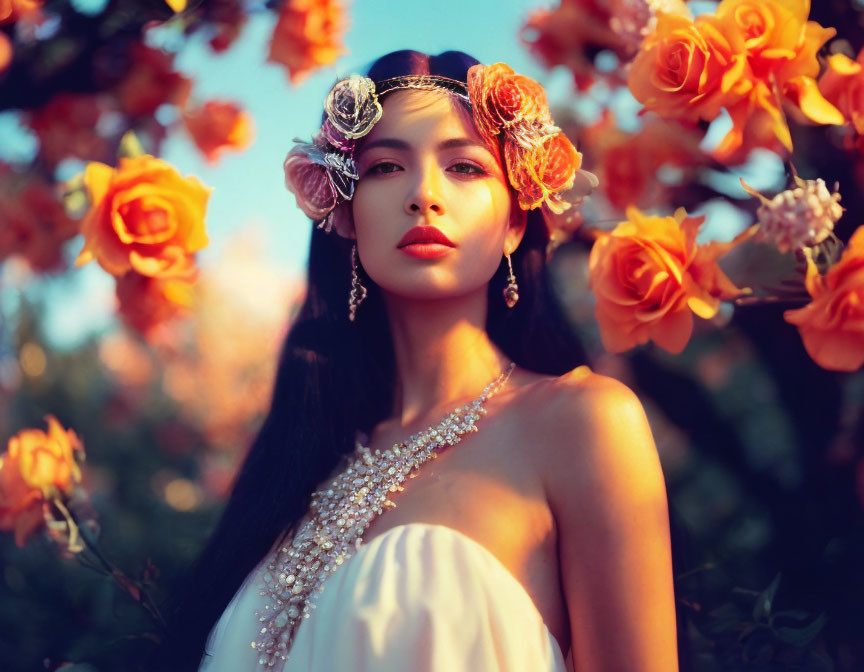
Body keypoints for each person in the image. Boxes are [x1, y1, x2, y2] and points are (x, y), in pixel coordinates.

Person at [153, 49, 679, 672]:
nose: (424, 194)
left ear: (515, 223)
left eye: (463, 166)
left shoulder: (584, 423)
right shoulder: (302, 460)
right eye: (384, 168)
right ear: (345, 214)